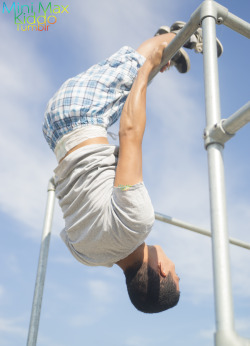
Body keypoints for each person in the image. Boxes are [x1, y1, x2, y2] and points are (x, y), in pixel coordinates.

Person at [43, 23, 222, 313]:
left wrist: (147, 68)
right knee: (132, 81)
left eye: (177, 274)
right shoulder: (88, 257)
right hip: (55, 134)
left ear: (163, 270)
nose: (176, 267)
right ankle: (166, 52)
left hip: (79, 113)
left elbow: (129, 133)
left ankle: (180, 35)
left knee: (138, 64)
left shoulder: (136, 223)